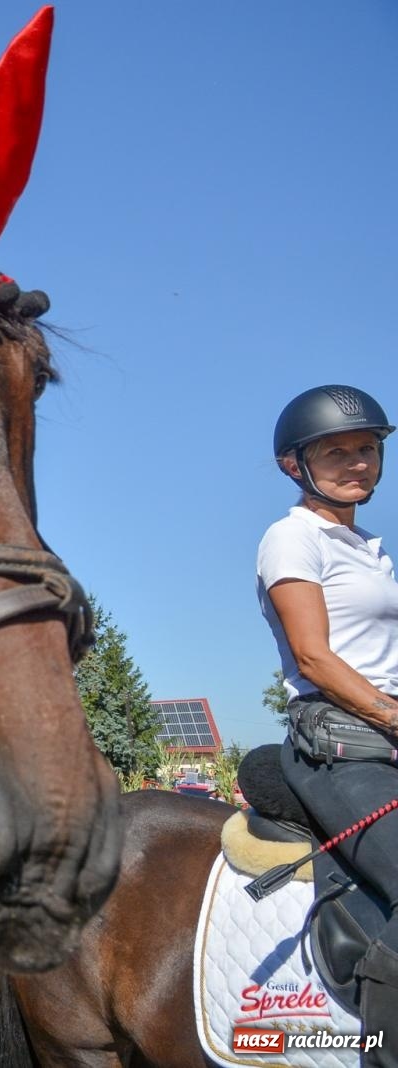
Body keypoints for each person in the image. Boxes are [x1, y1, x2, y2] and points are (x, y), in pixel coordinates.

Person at [259, 384, 398, 1052]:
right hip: (341, 747)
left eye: (367, 448)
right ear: (296, 464)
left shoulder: (369, 548)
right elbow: (314, 658)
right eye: (336, 450)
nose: (358, 462)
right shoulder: (292, 537)